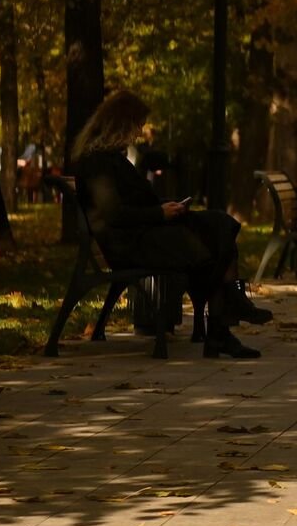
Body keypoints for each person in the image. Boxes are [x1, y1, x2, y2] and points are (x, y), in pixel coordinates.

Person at [70, 88, 270, 358]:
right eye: (137, 126)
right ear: (120, 124)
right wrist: (160, 213)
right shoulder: (96, 163)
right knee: (215, 247)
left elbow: (136, 202)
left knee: (221, 225)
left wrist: (167, 208)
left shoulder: (112, 158)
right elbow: (114, 215)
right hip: (130, 244)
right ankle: (225, 321)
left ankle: (230, 312)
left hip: (144, 232)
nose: (139, 133)